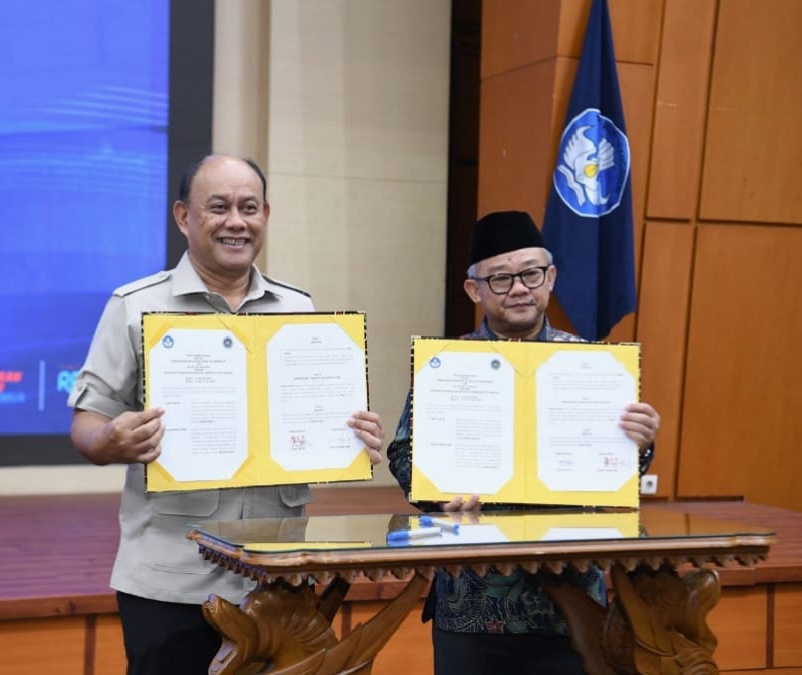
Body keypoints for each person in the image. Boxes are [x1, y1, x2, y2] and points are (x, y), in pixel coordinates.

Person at [68, 153, 385, 675]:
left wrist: (353, 435)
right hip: (170, 582)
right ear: (183, 217)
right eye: (218, 207)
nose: (236, 221)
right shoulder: (133, 306)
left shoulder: (299, 310)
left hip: (275, 580)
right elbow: (87, 422)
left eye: (249, 207)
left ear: (265, 215)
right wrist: (110, 441)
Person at [387, 210, 659, 675]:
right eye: (501, 278)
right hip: (471, 603)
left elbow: (619, 471)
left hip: (570, 604)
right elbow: (403, 451)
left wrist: (641, 442)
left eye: (531, 273)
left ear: (550, 278)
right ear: (474, 290)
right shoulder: (447, 365)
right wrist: (437, 493)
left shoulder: (595, 368)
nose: (519, 287)